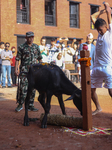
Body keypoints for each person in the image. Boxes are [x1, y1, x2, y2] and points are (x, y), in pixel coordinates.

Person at [91, 2, 112, 115]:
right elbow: (92, 17)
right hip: (96, 67)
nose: (99, 32)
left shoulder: (110, 33)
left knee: (111, 91)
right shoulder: (99, 34)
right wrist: (102, 11)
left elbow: (109, 12)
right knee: (91, 90)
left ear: (106, 27)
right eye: (97, 30)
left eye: (100, 29)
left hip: (108, 66)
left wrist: (107, 6)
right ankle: (98, 108)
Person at [15, 31, 42, 112]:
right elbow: (17, 59)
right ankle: (20, 104)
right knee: (23, 88)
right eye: (29, 37)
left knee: (33, 89)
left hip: (34, 72)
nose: (31, 39)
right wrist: (16, 69)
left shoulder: (36, 47)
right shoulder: (21, 47)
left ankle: (31, 105)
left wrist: (41, 70)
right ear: (26, 38)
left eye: (32, 37)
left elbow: (40, 58)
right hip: (24, 71)